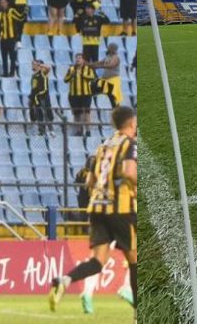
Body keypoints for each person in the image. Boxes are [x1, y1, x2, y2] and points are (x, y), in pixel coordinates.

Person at [49, 106, 137, 314]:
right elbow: (129, 171)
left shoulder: (104, 146)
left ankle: (65, 279)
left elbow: (90, 180)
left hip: (97, 206)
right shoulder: (129, 144)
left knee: (98, 261)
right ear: (132, 123)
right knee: (134, 260)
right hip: (120, 208)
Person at [64, 53, 97, 136]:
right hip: (73, 95)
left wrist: (82, 74)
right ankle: (79, 131)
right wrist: (72, 75)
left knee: (86, 112)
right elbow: (65, 79)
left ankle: (88, 131)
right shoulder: (71, 69)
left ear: (83, 60)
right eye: (77, 58)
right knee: (76, 113)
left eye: (80, 58)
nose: (78, 59)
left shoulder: (88, 69)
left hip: (85, 94)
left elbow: (92, 78)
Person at [0, 0, 25, 78]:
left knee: (12, 57)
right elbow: (0, 27)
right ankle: (5, 72)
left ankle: (12, 72)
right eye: (1, 3)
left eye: (4, 3)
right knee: (4, 57)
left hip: (12, 39)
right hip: (3, 39)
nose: (2, 4)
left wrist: (25, 11)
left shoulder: (12, 11)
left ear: (7, 3)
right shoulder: (0, 14)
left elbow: (20, 18)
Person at [91, 43, 125, 109]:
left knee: (113, 97)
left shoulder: (116, 57)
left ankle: (117, 111)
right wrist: (90, 64)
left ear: (112, 49)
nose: (108, 49)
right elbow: (100, 62)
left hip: (112, 81)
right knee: (93, 88)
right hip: (105, 80)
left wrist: (99, 66)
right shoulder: (108, 56)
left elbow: (111, 66)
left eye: (109, 48)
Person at [28, 59, 53, 136]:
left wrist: (41, 65)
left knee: (45, 112)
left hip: (43, 96)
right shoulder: (34, 75)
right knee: (38, 113)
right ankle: (41, 130)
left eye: (35, 64)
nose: (33, 65)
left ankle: (51, 130)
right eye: (33, 64)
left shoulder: (42, 72)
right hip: (35, 96)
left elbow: (48, 68)